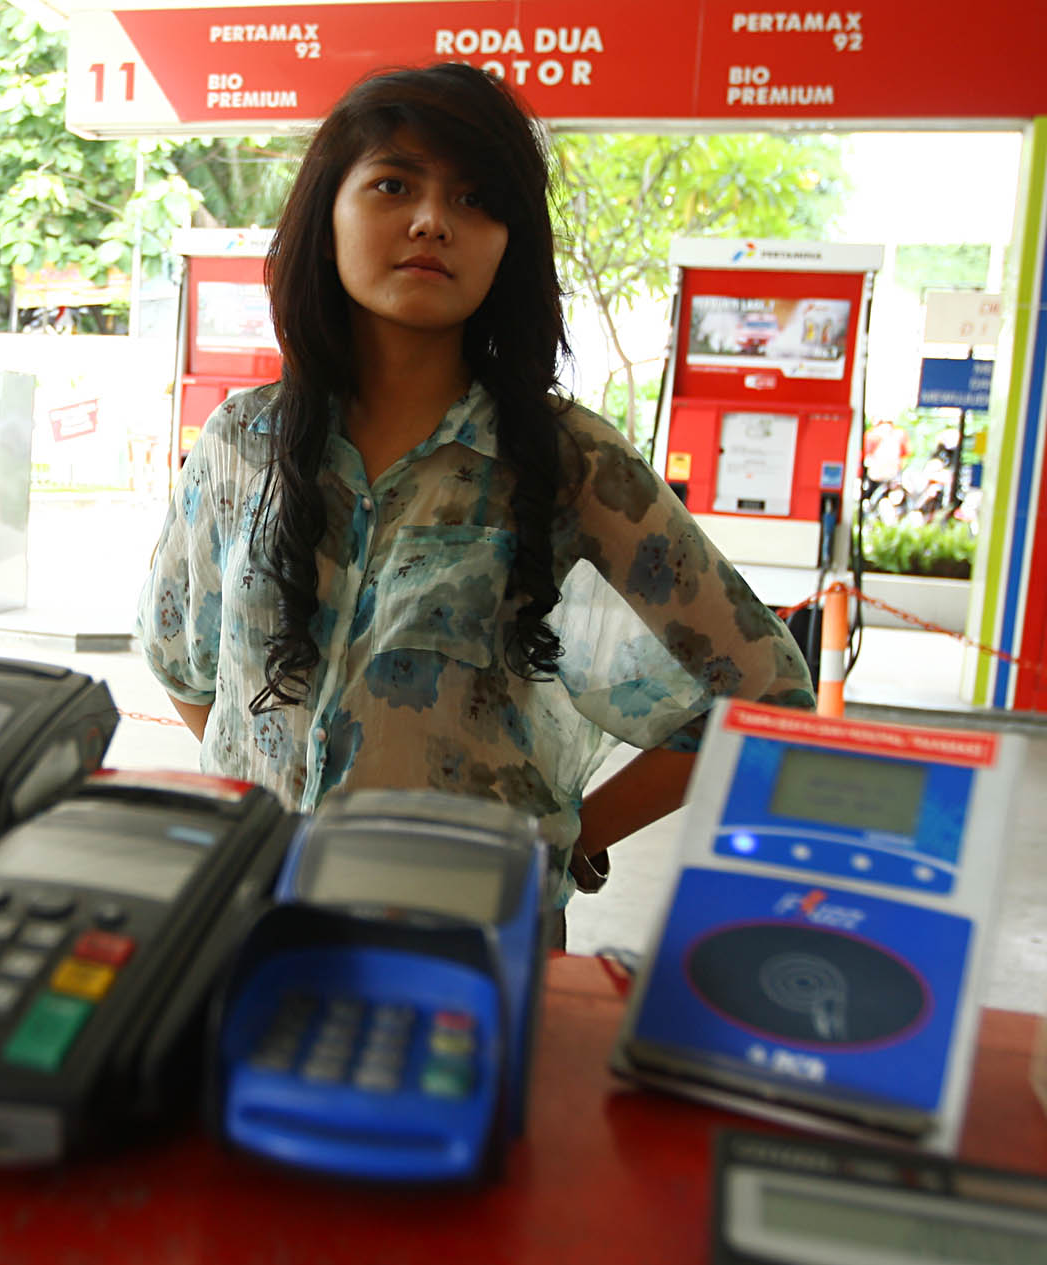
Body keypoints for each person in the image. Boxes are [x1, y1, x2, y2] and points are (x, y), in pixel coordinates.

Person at [135, 63, 815, 942]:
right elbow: (187, 667)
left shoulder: (570, 460)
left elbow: (766, 692)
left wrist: (572, 839)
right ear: (326, 214)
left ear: (508, 245)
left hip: (467, 945)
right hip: (253, 923)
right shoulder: (241, 442)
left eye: (475, 199)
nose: (432, 221)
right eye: (393, 184)